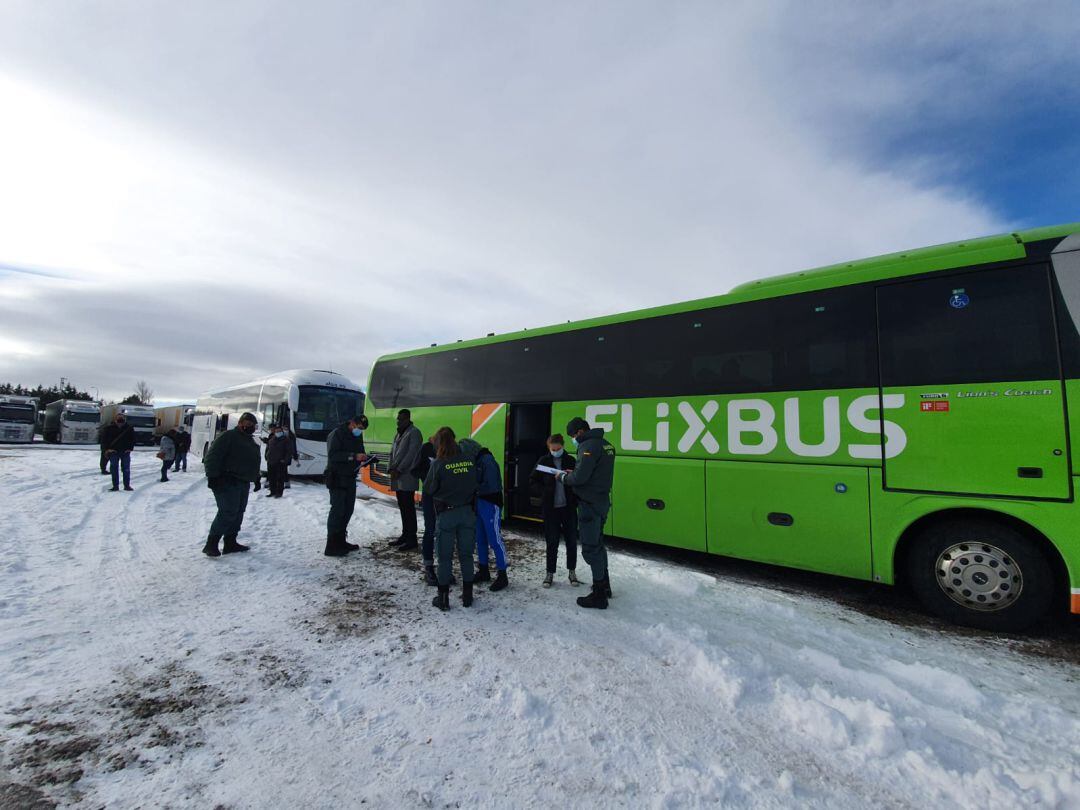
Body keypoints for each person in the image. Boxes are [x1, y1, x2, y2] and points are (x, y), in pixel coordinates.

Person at [557, 417, 616, 609]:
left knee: (591, 548)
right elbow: (592, 471)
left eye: (573, 435)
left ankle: (599, 594)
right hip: (602, 501)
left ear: (580, 431)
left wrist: (564, 477)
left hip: (589, 504)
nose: (574, 439)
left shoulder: (587, 446)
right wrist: (575, 471)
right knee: (599, 543)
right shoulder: (606, 444)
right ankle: (605, 584)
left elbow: (581, 477)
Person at [423, 426, 477, 610]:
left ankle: (443, 598)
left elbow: (429, 489)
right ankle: (468, 596)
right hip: (468, 513)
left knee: (445, 557)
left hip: (447, 514)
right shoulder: (469, 460)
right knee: (466, 555)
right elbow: (476, 482)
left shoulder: (438, 464)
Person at [202, 411, 262, 557]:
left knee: (239, 512)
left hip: (243, 482)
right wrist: (212, 476)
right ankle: (211, 544)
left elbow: (253, 461)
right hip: (226, 480)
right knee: (227, 512)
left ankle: (230, 542)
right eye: (247, 424)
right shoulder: (228, 436)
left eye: (253, 425)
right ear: (240, 423)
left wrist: (257, 478)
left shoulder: (249, 440)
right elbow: (212, 457)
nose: (250, 427)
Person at [531, 433, 580, 588]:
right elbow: (532, 481)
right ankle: (549, 573)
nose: (556, 451)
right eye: (553, 449)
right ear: (549, 447)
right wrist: (544, 491)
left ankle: (572, 572)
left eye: (558, 448)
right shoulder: (543, 461)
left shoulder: (571, 461)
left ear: (563, 446)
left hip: (568, 508)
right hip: (551, 509)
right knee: (551, 542)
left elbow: (579, 481)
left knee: (571, 541)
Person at [462, 438, 508, 591]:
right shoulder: (478, 459)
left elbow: (493, 486)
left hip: (490, 504)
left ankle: (503, 575)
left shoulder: (487, 461)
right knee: (480, 539)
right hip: (480, 504)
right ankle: (483, 570)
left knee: (495, 539)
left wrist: (473, 488)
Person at [324, 415, 368, 556]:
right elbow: (333, 455)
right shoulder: (337, 433)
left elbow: (360, 450)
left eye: (362, 429)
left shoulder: (356, 436)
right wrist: (354, 456)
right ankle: (331, 545)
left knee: (348, 510)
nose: (360, 431)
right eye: (359, 428)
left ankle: (341, 541)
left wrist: (364, 458)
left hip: (350, 477)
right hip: (337, 477)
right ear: (352, 423)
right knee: (337, 510)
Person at [388, 408, 422, 550]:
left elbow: (412, 454)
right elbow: (392, 451)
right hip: (397, 475)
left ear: (408, 419)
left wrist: (399, 469)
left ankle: (411, 539)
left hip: (406, 476)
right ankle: (405, 535)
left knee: (408, 508)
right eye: (398, 418)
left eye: (401, 418)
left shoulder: (414, 432)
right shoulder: (399, 433)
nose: (399, 420)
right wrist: (390, 467)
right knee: (402, 506)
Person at [416, 435, 440, 585]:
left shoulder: (450, 452)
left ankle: (445, 568)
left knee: (444, 532)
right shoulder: (427, 449)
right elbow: (417, 470)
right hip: (430, 496)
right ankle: (429, 567)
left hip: (444, 497)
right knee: (430, 530)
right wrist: (429, 481)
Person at [100, 413, 137, 491]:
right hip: (113, 452)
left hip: (125, 452)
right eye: (119, 418)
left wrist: (130, 448)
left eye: (122, 418)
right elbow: (103, 440)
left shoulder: (129, 428)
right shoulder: (109, 428)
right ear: (115, 419)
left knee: (126, 469)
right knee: (114, 469)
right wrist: (107, 449)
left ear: (124, 419)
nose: (120, 420)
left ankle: (127, 486)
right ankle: (115, 486)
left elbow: (133, 439)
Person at [264, 424, 292, 498]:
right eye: (276, 431)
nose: (277, 432)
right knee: (271, 477)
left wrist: (285, 460)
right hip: (271, 461)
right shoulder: (272, 439)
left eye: (279, 431)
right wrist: (267, 457)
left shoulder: (286, 440)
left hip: (280, 462)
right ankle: (272, 491)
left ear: (282, 432)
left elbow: (289, 451)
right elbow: (268, 449)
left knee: (280, 478)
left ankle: (279, 493)